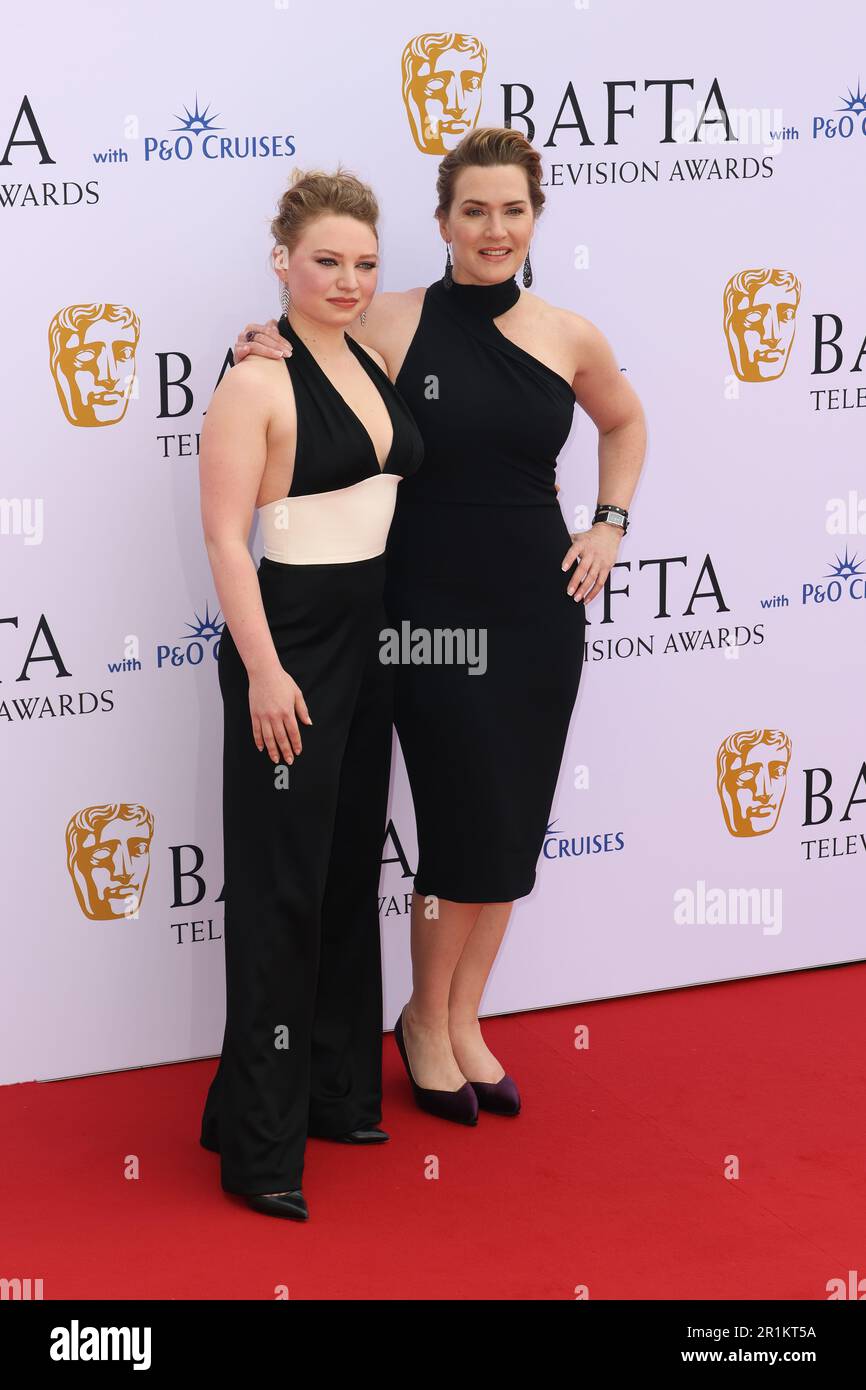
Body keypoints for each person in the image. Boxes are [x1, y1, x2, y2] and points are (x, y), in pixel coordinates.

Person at [233, 127, 646, 1126]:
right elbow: (303, 368)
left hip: (536, 610)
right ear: (442, 222)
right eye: (473, 210)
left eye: (511, 210)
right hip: (423, 613)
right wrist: (251, 348)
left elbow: (624, 423)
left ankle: (459, 1016)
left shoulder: (567, 333)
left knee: (506, 818)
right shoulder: (391, 318)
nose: (493, 228)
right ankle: (421, 1022)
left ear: (533, 218)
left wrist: (608, 523)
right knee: (457, 818)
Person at [198, 166, 424, 1219]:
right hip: (287, 643)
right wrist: (264, 669)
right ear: (281, 259)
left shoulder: (369, 351)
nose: (346, 279)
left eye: (364, 263)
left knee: (340, 873)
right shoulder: (255, 378)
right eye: (325, 260)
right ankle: (257, 1145)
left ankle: (331, 1089)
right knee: (283, 888)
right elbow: (223, 538)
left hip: (368, 638)